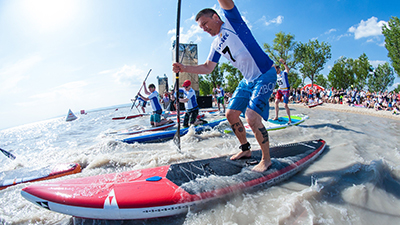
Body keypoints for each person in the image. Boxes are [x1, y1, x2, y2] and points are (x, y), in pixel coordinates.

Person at [172, 0, 276, 172]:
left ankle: (266, 160)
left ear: (215, 17)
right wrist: (184, 68)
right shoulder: (215, 44)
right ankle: (246, 149)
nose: (204, 29)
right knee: (231, 114)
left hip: (265, 73)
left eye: (205, 23)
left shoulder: (232, 22)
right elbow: (207, 67)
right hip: (247, 80)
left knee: (251, 116)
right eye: (201, 27)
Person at [273, 59, 291, 124]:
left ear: (279, 69)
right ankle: (276, 116)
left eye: (276, 70)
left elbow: (288, 70)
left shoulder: (283, 73)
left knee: (285, 105)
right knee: (276, 102)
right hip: (280, 89)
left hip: (286, 90)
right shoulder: (275, 75)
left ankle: (289, 119)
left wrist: (284, 63)